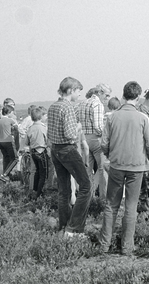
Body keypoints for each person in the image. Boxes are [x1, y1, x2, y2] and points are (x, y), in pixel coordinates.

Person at [99, 81, 149, 255]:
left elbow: (104, 143)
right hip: (137, 167)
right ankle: (127, 247)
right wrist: (147, 156)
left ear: (123, 95)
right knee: (131, 207)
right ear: (138, 98)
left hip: (116, 165)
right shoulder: (143, 118)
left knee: (111, 205)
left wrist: (110, 155)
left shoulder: (112, 117)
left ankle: (104, 244)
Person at [48, 77, 92, 237]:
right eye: (78, 91)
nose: (79, 95)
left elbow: (50, 133)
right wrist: (79, 127)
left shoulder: (53, 106)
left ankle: (64, 227)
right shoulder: (68, 107)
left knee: (64, 190)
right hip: (67, 149)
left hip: (55, 150)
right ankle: (74, 229)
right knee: (86, 186)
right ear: (71, 90)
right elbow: (70, 134)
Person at [77, 83, 112, 200]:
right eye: (106, 95)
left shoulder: (82, 103)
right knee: (103, 170)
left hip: (84, 139)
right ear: (100, 92)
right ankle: (103, 199)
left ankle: (88, 198)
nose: (107, 98)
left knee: (87, 171)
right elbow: (98, 127)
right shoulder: (97, 104)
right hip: (96, 139)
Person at [25, 107, 49, 198]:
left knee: (37, 172)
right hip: (41, 151)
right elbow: (47, 140)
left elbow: (27, 142)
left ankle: (34, 190)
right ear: (40, 117)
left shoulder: (30, 128)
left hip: (33, 152)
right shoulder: (43, 128)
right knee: (43, 174)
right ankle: (39, 194)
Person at [0, 105, 18, 177]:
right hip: (8, 141)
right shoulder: (10, 120)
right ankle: (5, 174)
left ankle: (6, 174)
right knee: (15, 159)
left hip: (0, 141)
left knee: (6, 158)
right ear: (9, 112)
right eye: (12, 112)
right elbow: (17, 128)